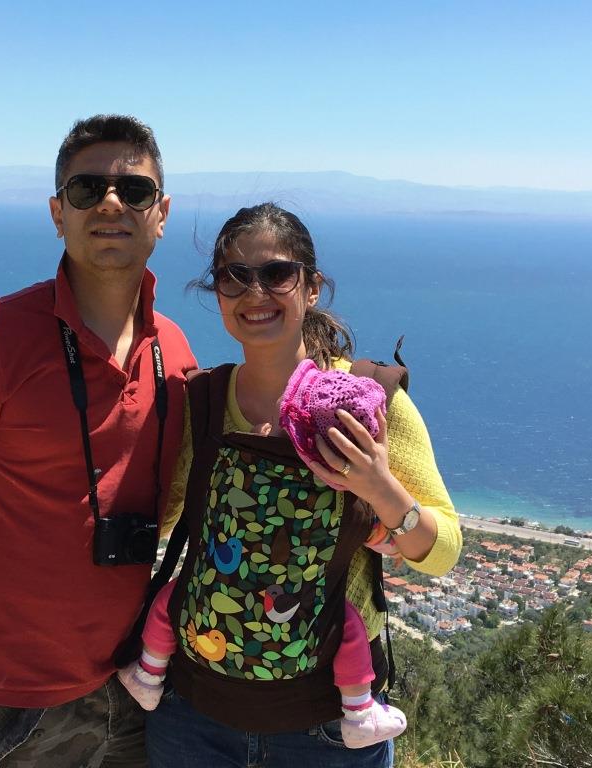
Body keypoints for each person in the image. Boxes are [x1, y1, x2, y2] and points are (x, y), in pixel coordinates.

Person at [0, 115, 197, 768]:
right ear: (58, 214)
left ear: (161, 214)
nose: (110, 203)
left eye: (134, 191)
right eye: (87, 189)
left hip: (130, 689)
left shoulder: (174, 352)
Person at [142, 203, 462, 768]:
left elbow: (442, 553)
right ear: (218, 293)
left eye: (276, 273)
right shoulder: (203, 402)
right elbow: (161, 518)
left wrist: (379, 484)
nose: (255, 292)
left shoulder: (368, 403)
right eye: (234, 276)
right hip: (194, 715)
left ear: (311, 288)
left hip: (329, 727)